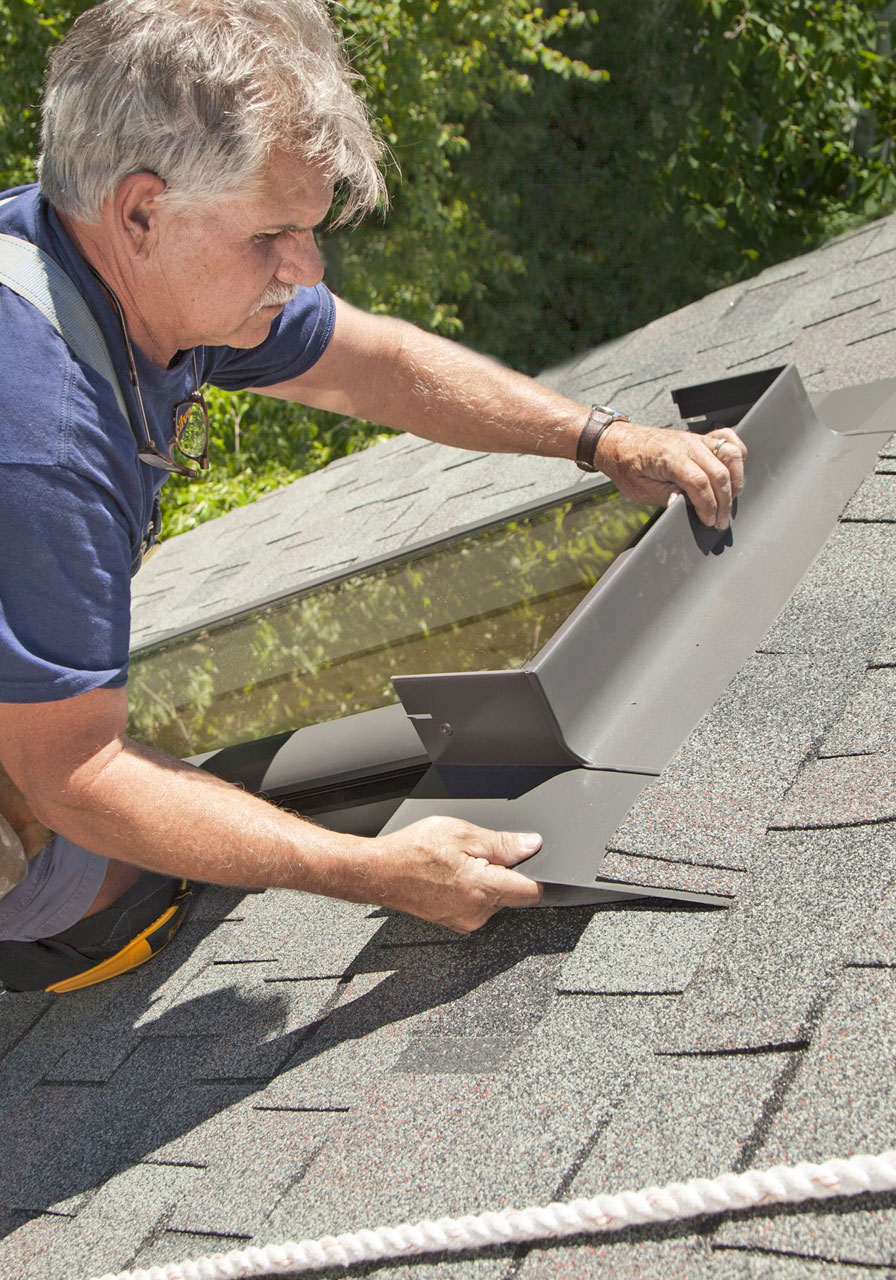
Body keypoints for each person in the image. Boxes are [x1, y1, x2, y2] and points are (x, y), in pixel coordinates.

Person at [0, 0, 746, 994]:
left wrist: (598, 437)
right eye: (272, 235)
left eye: (306, 231)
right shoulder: (40, 431)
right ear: (140, 211)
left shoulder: (115, 261)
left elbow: (378, 366)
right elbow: (80, 776)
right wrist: (372, 871)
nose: (303, 270)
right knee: (86, 883)